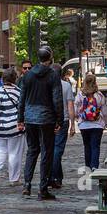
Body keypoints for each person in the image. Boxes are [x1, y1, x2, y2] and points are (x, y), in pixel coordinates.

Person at [18, 46, 64, 200]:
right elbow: (57, 99)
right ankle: (42, 189)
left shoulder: (28, 75)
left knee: (32, 150)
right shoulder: (52, 75)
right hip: (46, 118)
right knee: (47, 152)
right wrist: (59, 119)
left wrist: (20, 119)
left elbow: (21, 99)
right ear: (50, 58)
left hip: (30, 117)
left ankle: (27, 184)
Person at [0, 68, 24, 187]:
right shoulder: (19, 92)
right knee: (14, 153)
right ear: (15, 79)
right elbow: (22, 110)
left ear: (3, 79)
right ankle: (14, 179)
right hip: (14, 128)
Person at [75, 72, 107, 172]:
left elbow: (76, 109)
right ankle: (94, 165)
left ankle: (87, 166)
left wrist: (78, 117)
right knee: (95, 146)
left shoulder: (80, 94)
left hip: (84, 125)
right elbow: (105, 112)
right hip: (97, 124)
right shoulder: (99, 95)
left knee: (87, 146)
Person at [50, 66, 77, 189]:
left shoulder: (46, 84)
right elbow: (70, 106)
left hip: (48, 120)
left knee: (52, 150)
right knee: (57, 150)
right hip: (63, 120)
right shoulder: (66, 86)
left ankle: (56, 177)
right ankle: (54, 177)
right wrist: (72, 125)